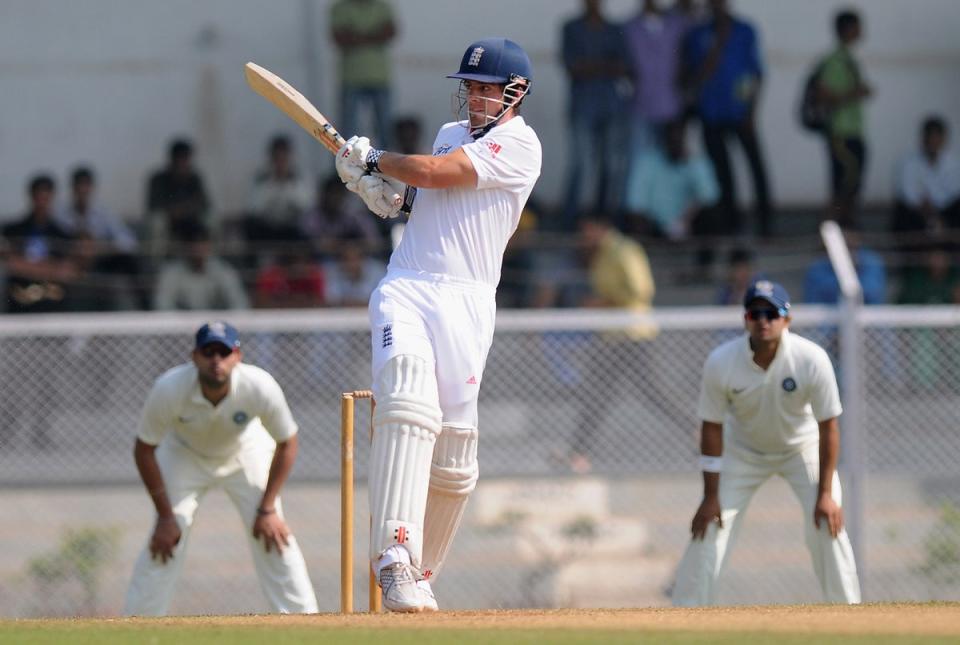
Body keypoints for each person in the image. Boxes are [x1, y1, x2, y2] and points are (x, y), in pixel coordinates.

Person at [333, 37, 541, 612]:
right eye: (469, 88)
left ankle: (420, 572)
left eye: (485, 88)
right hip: (409, 286)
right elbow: (427, 195)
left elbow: (437, 174)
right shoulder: (452, 136)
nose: (474, 98)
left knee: (454, 458)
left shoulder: (521, 145)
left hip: (470, 304)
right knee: (405, 401)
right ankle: (393, 558)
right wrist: (385, 195)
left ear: (515, 92)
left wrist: (377, 162)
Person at [671, 280, 861, 606]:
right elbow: (712, 427)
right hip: (743, 453)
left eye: (772, 313)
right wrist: (710, 495)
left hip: (802, 449)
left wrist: (826, 494)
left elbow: (828, 426)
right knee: (709, 527)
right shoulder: (721, 361)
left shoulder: (811, 359)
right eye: (756, 313)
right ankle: (685, 616)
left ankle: (849, 617)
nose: (764, 320)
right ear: (745, 319)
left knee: (828, 523)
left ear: (787, 319)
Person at [123, 321, 318, 615]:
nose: (216, 360)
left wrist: (267, 510)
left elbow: (287, 442)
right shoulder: (169, 388)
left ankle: (305, 624)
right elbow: (144, 449)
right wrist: (165, 516)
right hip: (184, 455)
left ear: (237, 356)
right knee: (166, 541)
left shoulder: (259, 385)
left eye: (224, 352)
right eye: (208, 352)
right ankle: (138, 627)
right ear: (194, 356)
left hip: (244, 451)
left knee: (274, 536)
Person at [684, 0, 772, 238]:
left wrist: (751, 112)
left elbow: (756, 74)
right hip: (711, 114)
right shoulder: (698, 34)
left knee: (756, 168)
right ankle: (732, 225)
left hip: (741, 114)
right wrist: (718, 44)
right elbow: (696, 75)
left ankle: (766, 225)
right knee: (723, 174)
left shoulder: (745, 30)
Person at [559, 0, 630, 228]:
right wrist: (604, 66)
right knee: (580, 163)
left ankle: (603, 218)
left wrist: (592, 67)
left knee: (610, 164)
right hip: (583, 107)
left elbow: (622, 67)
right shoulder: (571, 28)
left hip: (611, 107)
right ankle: (570, 218)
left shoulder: (613, 29)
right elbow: (573, 68)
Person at [815, 9, 873, 229]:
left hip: (853, 132)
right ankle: (829, 230)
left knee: (852, 186)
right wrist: (854, 93)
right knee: (843, 187)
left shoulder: (849, 58)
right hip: (841, 133)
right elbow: (823, 96)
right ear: (847, 29)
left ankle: (845, 231)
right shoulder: (834, 60)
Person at [55, 165, 141, 310]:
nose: (82, 190)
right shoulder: (60, 214)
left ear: (91, 188)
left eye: (86, 185)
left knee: (129, 262)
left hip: (99, 263)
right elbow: (55, 242)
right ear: (73, 188)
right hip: (71, 264)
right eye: (79, 186)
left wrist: (100, 247)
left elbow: (129, 242)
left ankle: (143, 312)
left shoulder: (102, 213)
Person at [330, 0, 397, 147]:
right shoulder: (340, 7)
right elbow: (338, 37)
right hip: (351, 78)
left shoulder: (382, 6)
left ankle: (387, 167)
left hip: (379, 77)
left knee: (384, 130)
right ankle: (346, 167)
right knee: (348, 131)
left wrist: (356, 35)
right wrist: (374, 34)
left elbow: (391, 32)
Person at [893, 116, 960, 245]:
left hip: (945, 214)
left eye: (937, 138)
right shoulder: (907, 163)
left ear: (943, 140)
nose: (933, 143)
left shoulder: (953, 164)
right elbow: (910, 197)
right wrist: (930, 214)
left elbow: (953, 196)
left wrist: (938, 217)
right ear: (923, 139)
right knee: (904, 213)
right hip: (918, 216)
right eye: (930, 138)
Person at [152, 222, 250, 311]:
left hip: (216, 327)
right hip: (181, 328)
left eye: (202, 242)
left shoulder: (223, 270)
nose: (197, 249)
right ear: (184, 246)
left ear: (209, 245)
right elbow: (162, 306)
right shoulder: (171, 272)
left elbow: (240, 305)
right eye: (193, 243)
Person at [145, 138, 211, 260]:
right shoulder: (158, 179)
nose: (183, 162)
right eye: (180, 158)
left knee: (211, 218)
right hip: (168, 222)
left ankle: (209, 260)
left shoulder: (194, 178)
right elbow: (153, 205)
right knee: (157, 222)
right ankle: (155, 263)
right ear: (172, 159)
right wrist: (172, 211)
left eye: (186, 158)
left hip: (191, 221)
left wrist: (185, 210)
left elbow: (205, 203)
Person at [246, 134, 313, 246]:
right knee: (250, 227)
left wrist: (287, 184)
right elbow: (255, 208)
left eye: (284, 158)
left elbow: (306, 206)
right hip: (268, 228)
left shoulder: (299, 177)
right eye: (277, 158)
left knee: (307, 229)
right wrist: (275, 183)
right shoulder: (262, 178)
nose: (281, 162)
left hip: (291, 228)